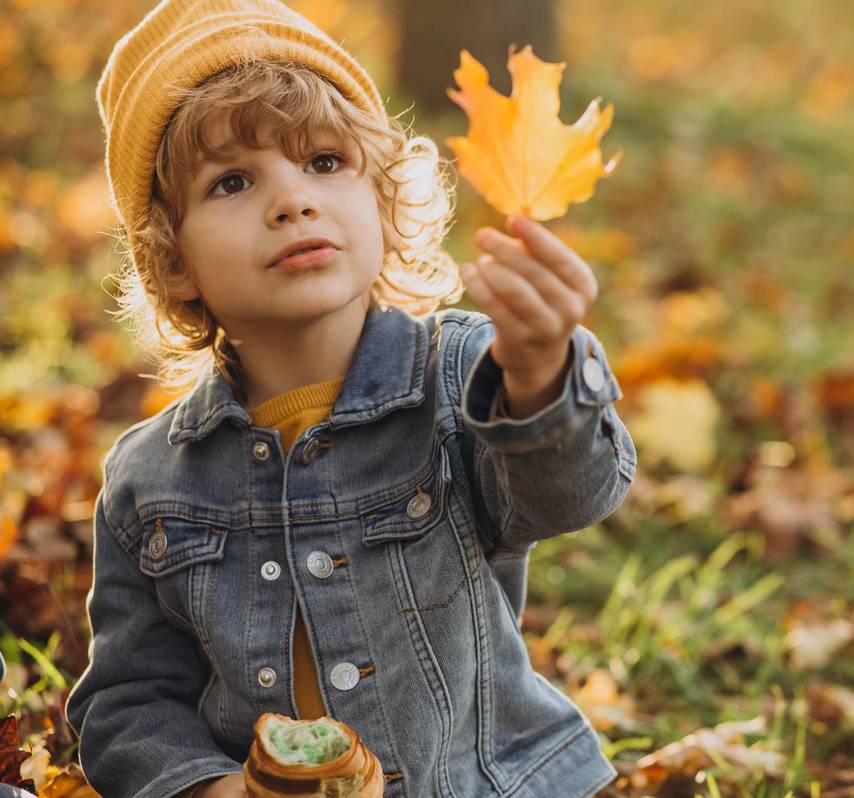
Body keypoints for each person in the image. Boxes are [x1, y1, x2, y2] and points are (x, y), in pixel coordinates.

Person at [62, 0, 637, 796]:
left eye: (325, 163)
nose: (292, 200)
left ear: (385, 199)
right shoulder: (147, 482)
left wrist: (540, 372)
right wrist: (214, 789)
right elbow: (128, 702)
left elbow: (570, 494)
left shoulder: (463, 375)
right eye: (232, 181)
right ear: (173, 262)